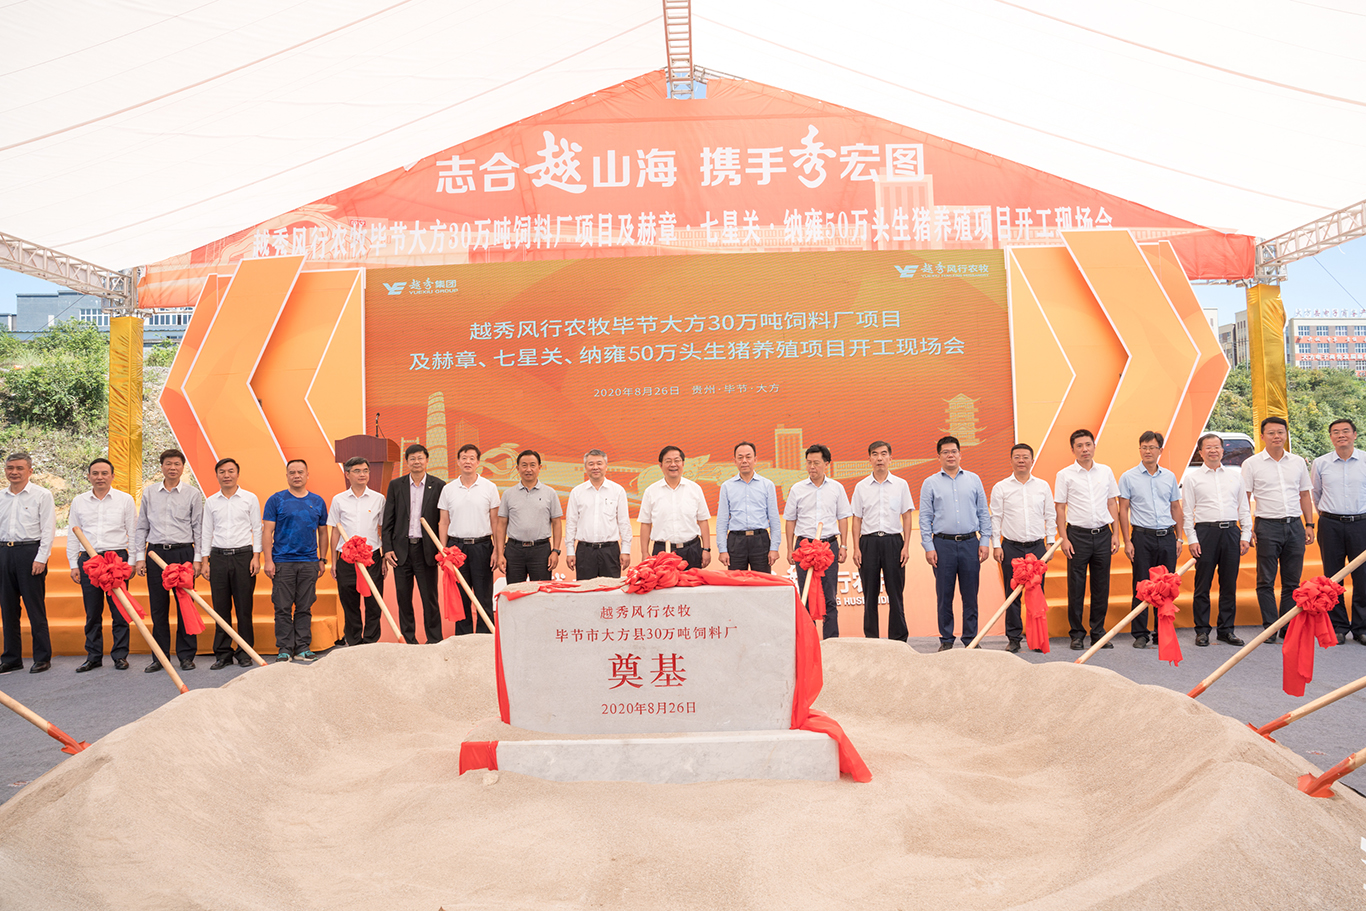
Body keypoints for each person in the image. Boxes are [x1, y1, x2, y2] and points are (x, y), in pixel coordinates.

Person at [1242, 415, 1314, 638]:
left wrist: (1309, 524)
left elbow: (1304, 495)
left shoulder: (1297, 462)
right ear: (1262, 436)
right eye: (1271, 433)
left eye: (1280, 432)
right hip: (1267, 526)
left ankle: (1286, 627)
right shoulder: (1251, 464)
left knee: (1292, 581)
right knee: (1266, 580)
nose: (1276, 436)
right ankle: (1270, 628)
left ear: (1286, 435)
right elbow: (1244, 498)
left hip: (1295, 526)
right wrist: (1247, 528)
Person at [134, 448, 204, 672]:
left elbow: (198, 528)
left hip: (183, 554)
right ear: (162, 466)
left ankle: (186, 656)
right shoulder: (150, 493)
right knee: (158, 608)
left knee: (185, 606)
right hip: (155, 554)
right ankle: (160, 657)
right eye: (168, 464)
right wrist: (139, 558)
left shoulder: (192, 494)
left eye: (177, 464)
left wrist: (198, 559)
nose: (172, 468)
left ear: (183, 468)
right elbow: (142, 526)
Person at [920, 436, 991, 651]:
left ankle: (971, 639)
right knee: (944, 595)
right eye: (945, 452)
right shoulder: (930, 483)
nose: (950, 455)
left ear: (960, 454)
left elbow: (983, 512)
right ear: (939, 456)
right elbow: (925, 517)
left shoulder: (974, 480)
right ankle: (946, 639)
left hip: (970, 543)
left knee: (970, 595)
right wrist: (929, 547)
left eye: (953, 451)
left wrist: (984, 540)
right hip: (943, 545)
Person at [67, 458, 138, 673]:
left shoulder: (125, 500)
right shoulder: (79, 501)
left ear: (112, 476)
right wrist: (73, 564)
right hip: (89, 561)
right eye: (95, 473)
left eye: (104, 473)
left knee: (119, 610)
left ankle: (120, 656)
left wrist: (132, 562)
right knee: (92, 611)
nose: (100, 477)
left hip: (116, 559)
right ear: (89, 476)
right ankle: (93, 656)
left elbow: (133, 532)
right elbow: (73, 533)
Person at [1055, 429, 1121, 651]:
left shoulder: (1106, 471)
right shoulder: (1065, 475)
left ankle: (1098, 632)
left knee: (1101, 586)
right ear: (1072, 449)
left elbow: (1112, 503)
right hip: (1077, 536)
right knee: (1076, 586)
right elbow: (1060, 508)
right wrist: (1064, 538)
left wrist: (1116, 533)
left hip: (1103, 535)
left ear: (1094, 446)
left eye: (1088, 444)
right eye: (1079, 446)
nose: (1085, 449)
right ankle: (1076, 634)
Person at [1117, 431, 1184, 649]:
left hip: (1167, 536)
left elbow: (1175, 507)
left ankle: (1162, 631)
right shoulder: (1128, 477)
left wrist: (1179, 538)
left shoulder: (1169, 477)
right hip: (1142, 537)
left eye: (1152, 447)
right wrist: (1127, 541)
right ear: (1140, 450)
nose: (1147, 451)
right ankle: (1140, 634)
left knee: (1166, 585)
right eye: (1144, 447)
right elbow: (1123, 509)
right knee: (1142, 584)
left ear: (1160, 450)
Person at [1183, 433, 1252, 646]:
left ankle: (1226, 630)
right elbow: (1187, 511)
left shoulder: (1235, 476)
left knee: (1229, 584)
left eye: (1217, 447)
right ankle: (1202, 630)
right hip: (1205, 533)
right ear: (1200, 452)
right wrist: (1192, 539)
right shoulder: (1192, 478)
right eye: (1208, 447)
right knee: (1202, 584)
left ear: (1223, 450)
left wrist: (1246, 534)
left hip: (1231, 532)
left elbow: (1244, 507)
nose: (1213, 450)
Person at [989, 442, 1056, 653]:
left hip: (1037, 549)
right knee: (1012, 596)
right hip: (1011, 548)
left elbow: (1050, 515)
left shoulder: (1042, 486)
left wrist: (1051, 542)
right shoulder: (1001, 487)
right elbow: (995, 518)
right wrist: (996, 545)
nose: (1021, 461)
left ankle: (1037, 639)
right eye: (1017, 457)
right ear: (1010, 460)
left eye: (1025, 457)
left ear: (1032, 461)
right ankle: (1014, 638)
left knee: (1036, 595)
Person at [263, 459, 329, 662]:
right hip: (282, 562)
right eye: (292, 472)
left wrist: (322, 558)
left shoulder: (318, 501)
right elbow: (267, 532)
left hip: (309, 562)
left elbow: (323, 532)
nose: (296, 476)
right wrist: (268, 561)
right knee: (282, 607)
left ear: (307, 475)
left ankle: (302, 647)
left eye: (300, 472)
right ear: (287, 476)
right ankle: (284, 648)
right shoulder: (276, 500)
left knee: (304, 606)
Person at [199, 457, 262, 669]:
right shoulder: (211, 501)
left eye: (231, 471)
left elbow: (257, 528)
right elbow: (206, 531)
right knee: (220, 608)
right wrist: (205, 560)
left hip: (244, 556)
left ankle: (245, 652)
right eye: (222, 472)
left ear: (237, 474)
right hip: (218, 557)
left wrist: (256, 556)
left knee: (244, 607)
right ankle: (223, 654)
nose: (226, 475)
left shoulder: (250, 499)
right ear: (217, 475)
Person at [785, 444, 851, 639]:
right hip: (804, 547)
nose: (812, 466)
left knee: (829, 595)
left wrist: (844, 545)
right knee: (805, 594)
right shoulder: (797, 489)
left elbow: (843, 517)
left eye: (816, 462)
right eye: (808, 463)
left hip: (828, 546)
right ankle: (809, 640)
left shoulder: (836, 488)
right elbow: (790, 520)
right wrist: (789, 548)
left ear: (826, 464)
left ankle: (831, 641)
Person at [850, 441, 913, 641]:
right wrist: (856, 548)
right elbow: (856, 519)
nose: (879, 458)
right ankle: (872, 639)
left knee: (896, 593)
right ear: (869, 458)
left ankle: (898, 639)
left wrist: (906, 546)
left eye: (883, 454)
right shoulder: (861, 487)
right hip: (868, 543)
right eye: (875, 454)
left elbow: (907, 516)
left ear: (890, 458)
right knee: (870, 595)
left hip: (893, 542)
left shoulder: (901, 485)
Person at [382, 444, 445, 644]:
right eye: (412, 458)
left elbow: (443, 520)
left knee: (430, 598)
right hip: (401, 550)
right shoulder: (396, 485)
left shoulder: (439, 485)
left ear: (427, 460)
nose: (416, 462)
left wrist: (442, 548)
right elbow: (388, 520)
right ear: (407, 462)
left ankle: (434, 640)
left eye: (420, 458)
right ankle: (409, 641)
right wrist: (387, 549)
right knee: (403, 598)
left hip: (427, 550)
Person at [1311, 418, 1366, 645]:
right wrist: (1328, 516)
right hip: (1330, 524)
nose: (1341, 435)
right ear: (1331, 437)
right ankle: (1338, 626)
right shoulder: (1320, 463)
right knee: (1333, 577)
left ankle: (1362, 627)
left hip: (1361, 523)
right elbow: (1316, 494)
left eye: (1345, 431)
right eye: (1335, 432)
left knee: (1363, 576)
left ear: (1354, 434)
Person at [0, 452, 55, 674]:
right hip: (4, 552)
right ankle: (12, 657)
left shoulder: (42, 495)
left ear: (30, 471)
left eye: (19, 468)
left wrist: (41, 558)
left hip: (30, 553)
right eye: (10, 468)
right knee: (7, 608)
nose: (14, 472)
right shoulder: (1, 496)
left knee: (35, 608)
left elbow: (48, 529)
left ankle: (42, 657)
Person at [436, 444, 500, 632]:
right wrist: (443, 550)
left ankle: (484, 638)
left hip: (483, 546)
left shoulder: (489, 487)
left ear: (478, 462)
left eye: (472, 458)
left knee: (483, 596)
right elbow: (443, 522)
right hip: (456, 549)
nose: (468, 462)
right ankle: (463, 640)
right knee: (461, 597)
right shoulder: (448, 489)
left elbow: (495, 521)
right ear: (458, 461)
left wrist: (497, 550)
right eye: (464, 458)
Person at [328, 456, 386, 646]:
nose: (362, 474)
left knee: (374, 602)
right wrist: (334, 561)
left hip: (372, 557)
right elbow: (335, 530)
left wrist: (384, 559)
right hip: (346, 559)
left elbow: (383, 529)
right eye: (357, 471)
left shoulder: (378, 499)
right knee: (349, 602)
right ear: (347, 474)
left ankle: (370, 642)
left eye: (365, 471)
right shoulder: (338, 500)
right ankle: (354, 642)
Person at [639, 446, 711, 571]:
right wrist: (645, 552)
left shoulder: (695, 489)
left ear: (683, 463)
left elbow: (703, 520)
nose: (673, 464)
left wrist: (706, 549)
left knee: (692, 583)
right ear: (660, 465)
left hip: (692, 550)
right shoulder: (651, 491)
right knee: (664, 583)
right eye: (668, 461)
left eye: (677, 460)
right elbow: (646, 523)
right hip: (662, 552)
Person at [497, 450, 563, 583]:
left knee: (540, 592)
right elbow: (501, 524)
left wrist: (555, 551)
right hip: (514, 551)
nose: (528, 469)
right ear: (517, 468)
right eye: (524, 465)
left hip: (541, 550)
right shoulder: (508, 494)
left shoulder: (550, 493)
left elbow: (556, 523)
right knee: (515, 592)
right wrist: (500, 554)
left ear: (539, 467)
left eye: (532, 465)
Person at [564, 449, 631, 580]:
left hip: (610, 551)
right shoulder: (577, 492)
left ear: (606, 466)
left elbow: (624, 522)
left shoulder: (618, 491)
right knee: (585, 590)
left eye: (599, 463)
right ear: (585, 467)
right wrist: (570, 551)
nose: (595, 467)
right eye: (591, 464)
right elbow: (571, 523)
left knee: (611, 590)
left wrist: (626, 550)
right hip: (585, 551)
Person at [716, 441, 780, 573]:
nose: (744, 461)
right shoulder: (727, 486)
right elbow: (722, 521)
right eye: (740, 457)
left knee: (762, 582)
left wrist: (774, 548)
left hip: (760, 540)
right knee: (737, 582)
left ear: (755, 460)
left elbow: (774, 519)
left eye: (748, 457)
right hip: (736, 541)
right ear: (735, 461)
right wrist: (722, 550)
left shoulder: (767, 485)